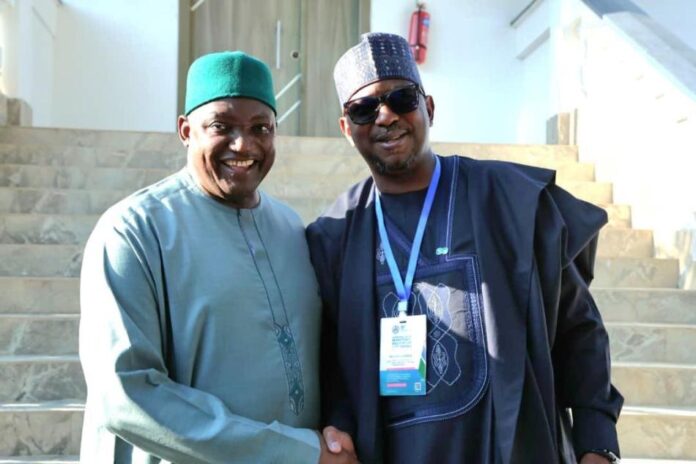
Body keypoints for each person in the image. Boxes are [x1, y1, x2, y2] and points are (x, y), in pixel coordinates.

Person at [306, 32, 623, 464]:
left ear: (428, 108)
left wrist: (596, 442)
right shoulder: (334, 235)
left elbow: (579, 329)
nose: (385, 117)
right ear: (346, 128)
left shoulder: (510, 200)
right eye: (363, 109)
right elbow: (330, 368)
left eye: (401, 98)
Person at [79, 51, 357, 463]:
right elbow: (124, 392)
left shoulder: (290, 227)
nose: (243, 144)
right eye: (221, 126)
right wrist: (293, 452)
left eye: (260, 127)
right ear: (186, 130)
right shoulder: (135, 230)